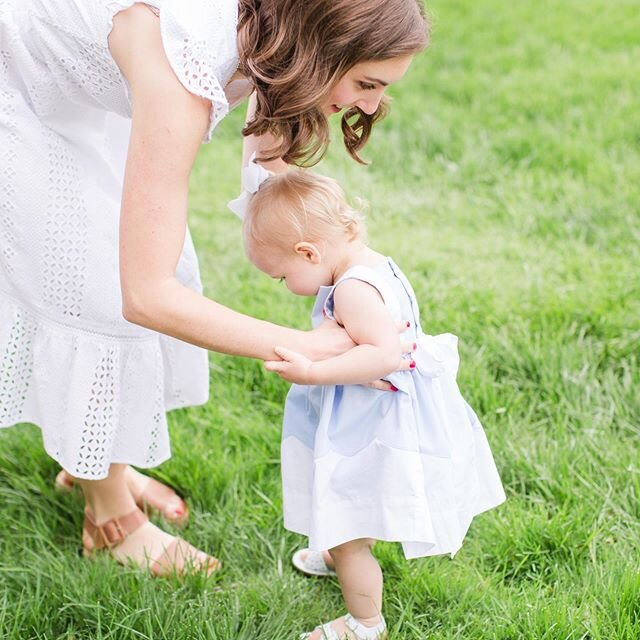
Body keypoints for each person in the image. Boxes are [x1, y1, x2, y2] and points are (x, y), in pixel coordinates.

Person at [0, 0, 428, 575]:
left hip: (85, 86)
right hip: (17, 87)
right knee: (93, 291)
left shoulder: (278, 31)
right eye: (367, 83)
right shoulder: (177, 60)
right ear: (320, 45)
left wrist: (331, 249)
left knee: (156, 256)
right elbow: (145, 296)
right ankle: (107, 519)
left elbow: (265, 161)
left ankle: (98, 463)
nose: (373, 106)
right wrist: (302, 346)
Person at [235, 166, 506, 639]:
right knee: (352, 497)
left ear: (308, 252)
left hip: (371, 423)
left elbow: (383, 353)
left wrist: (314, 371)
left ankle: (364, 620)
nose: (284, 284)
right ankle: (341, 543)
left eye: (282, 276)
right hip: (375, 415)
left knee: (348, 513)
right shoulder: (371, 264)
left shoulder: (354, 290)